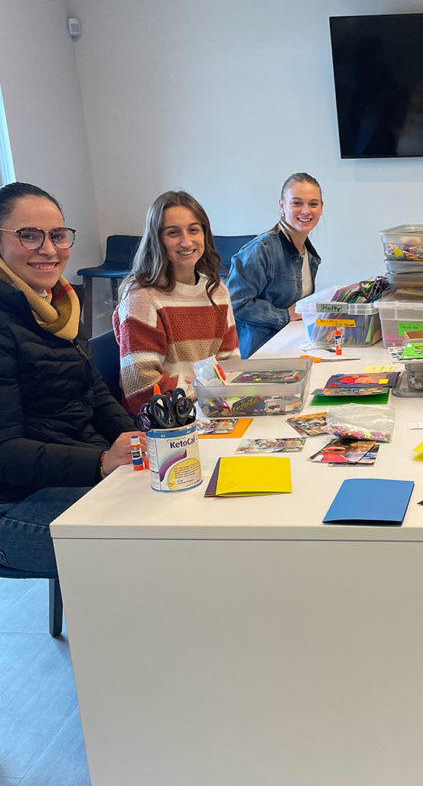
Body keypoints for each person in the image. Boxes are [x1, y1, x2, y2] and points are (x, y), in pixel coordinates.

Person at [0, 182, 140, 578]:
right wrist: (99, 462)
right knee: (154, 544)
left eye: (58, 235)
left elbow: (93, 389)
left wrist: (136, 441)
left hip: (69, 469)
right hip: (14, 504)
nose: (48, 249)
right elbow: (6, 452)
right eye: (29, 235)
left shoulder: (58, 303)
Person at [114, 190, 239, 414]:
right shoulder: (141, 297)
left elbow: (230, 365)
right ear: (157, 239)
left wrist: (210, 393)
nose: (186, 241)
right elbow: (141, 389)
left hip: (208, 408)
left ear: (205, 234)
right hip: (164, 419)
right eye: (173, 233)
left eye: (194, 230)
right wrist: (202, 390)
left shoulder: (218, 292)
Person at [227, 172, 323, 357]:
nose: (306, 211)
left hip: (291, 345)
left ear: (321, 207)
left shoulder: (309, 255)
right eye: (297, 203)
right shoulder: (260, 250)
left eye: (313, 203)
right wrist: (284, 316)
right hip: (260, 353)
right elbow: (235, 303)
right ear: (282, 206)